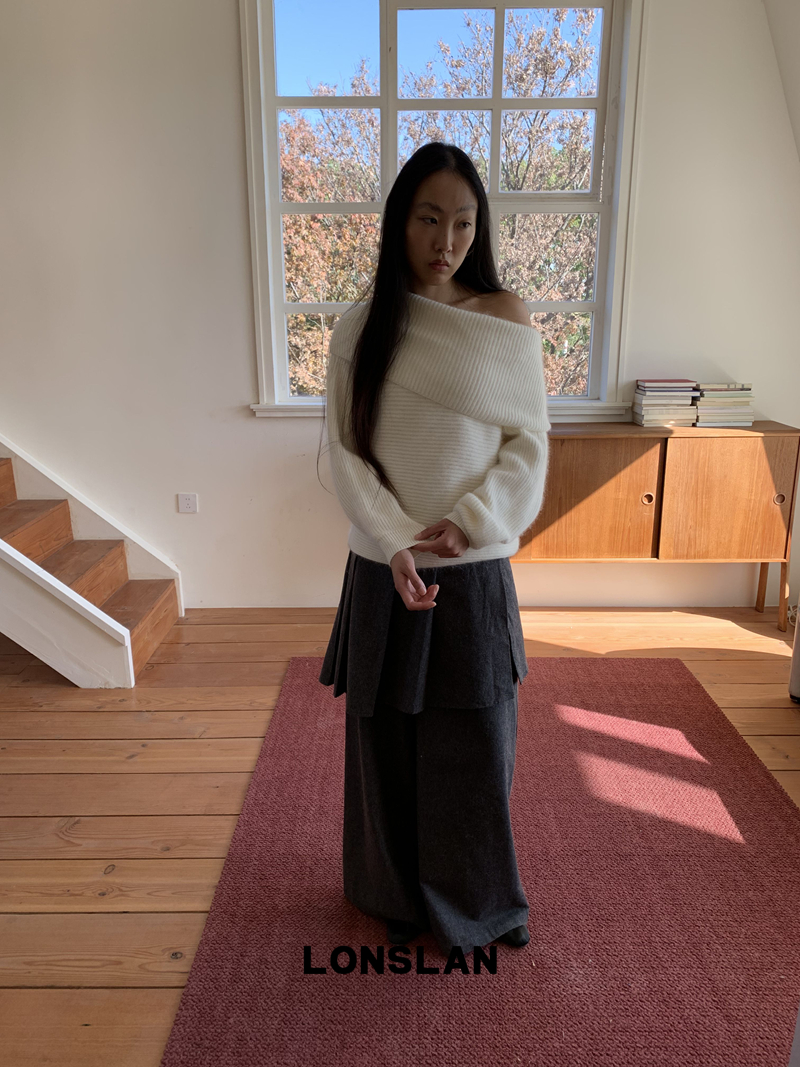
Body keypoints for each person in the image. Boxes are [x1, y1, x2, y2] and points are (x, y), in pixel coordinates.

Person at [318, 142, 551, 957]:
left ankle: (480, 897)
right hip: (385, 567)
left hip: (472, 566)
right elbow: (344, 453)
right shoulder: (361, 327)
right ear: (399, 222)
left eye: (463, 223)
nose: (445, 241)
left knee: (477, 742)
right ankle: (393, 892)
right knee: (386, 741)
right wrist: (394, 542)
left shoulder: (505, 316)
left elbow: (529, 444)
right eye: (427, 219)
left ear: (479, 228)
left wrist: (473, 520)